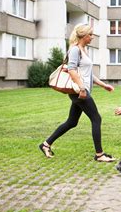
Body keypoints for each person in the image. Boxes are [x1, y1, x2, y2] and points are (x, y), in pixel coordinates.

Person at [39, 23, 116, 162]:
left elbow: (88, 74)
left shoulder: (83, 50)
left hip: (81, 90)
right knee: (96, 118)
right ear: (83, 36)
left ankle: (46, 144)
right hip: (79, 92)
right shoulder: (75, 50)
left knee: (72, 122)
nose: (92, 37)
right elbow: (72, 70)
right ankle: (99, 155)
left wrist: (103, 85)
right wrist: (81, 89)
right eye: (90, 35)